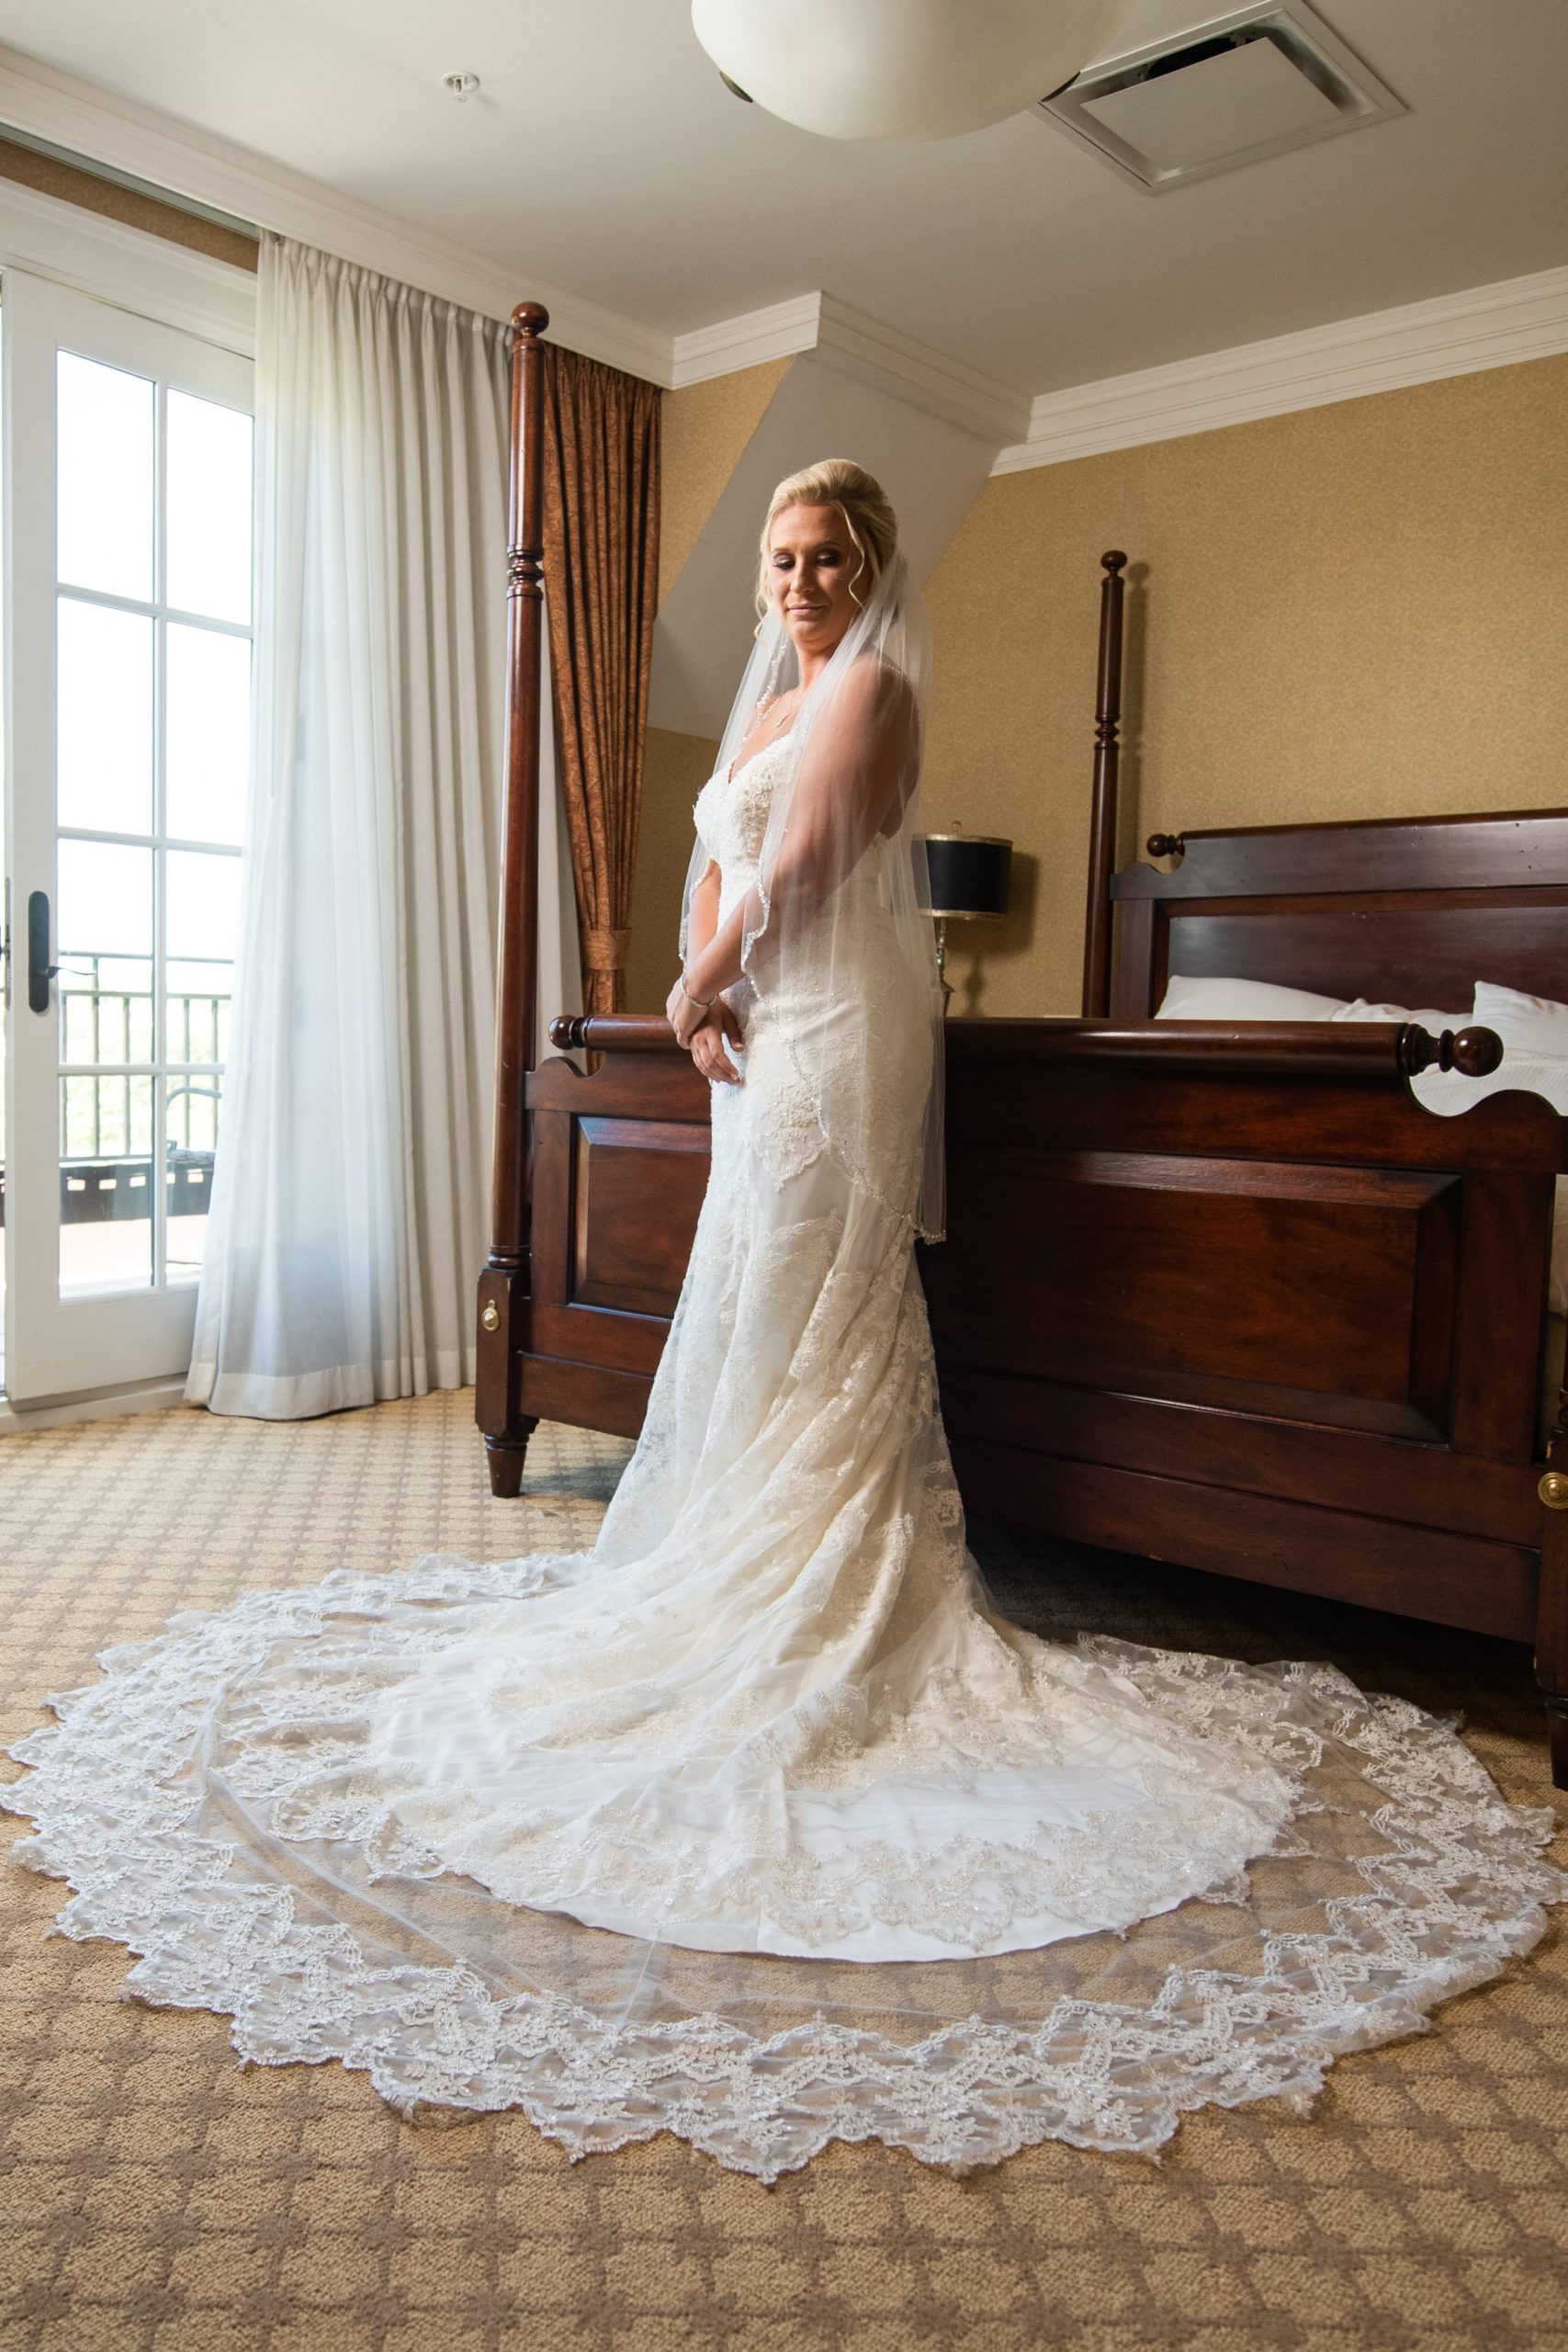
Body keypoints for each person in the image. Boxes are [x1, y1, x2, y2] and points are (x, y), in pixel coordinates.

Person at [7, 460, 1562, 2181]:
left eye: (828, 557)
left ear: (873, 571)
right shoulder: (782, 689)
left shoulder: (876, 690)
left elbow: (813, 853)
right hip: (766, 1031)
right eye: (783, 557)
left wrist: (700, 986)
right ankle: (742, 1536)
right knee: (761, 1298)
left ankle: (821, 1578)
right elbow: (727, 849)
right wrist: (701, 974)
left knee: (819, 1293)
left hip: (820, 1033)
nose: (803, 580)